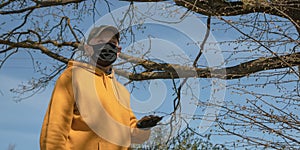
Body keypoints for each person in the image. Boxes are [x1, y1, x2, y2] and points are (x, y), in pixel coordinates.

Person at [40, 25, 162, 150]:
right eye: (100, 41)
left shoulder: (122, 92)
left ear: (118, 51)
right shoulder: (73, 76)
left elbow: (132, 135)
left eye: (112, 43)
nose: (107, 46)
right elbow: (55, 128)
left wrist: (142, 127)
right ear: (87, 49)